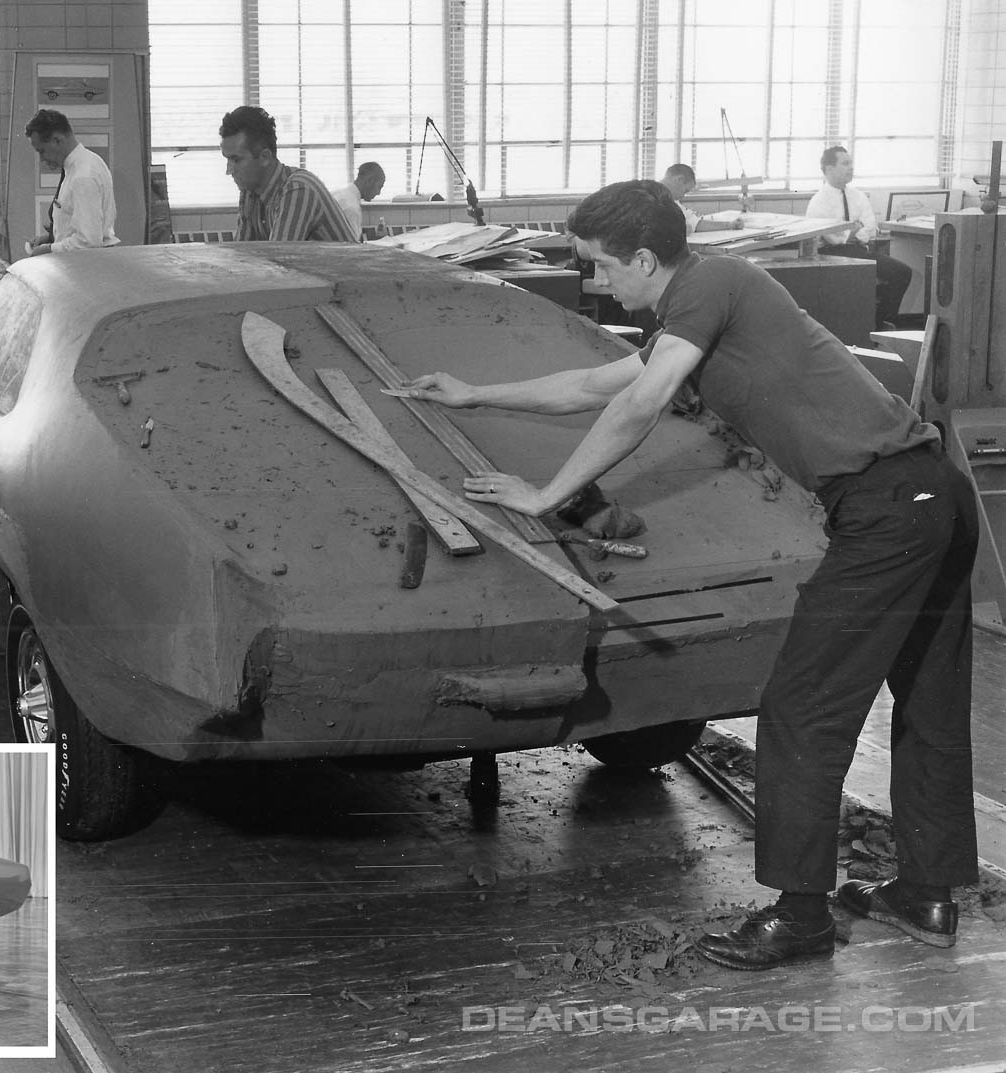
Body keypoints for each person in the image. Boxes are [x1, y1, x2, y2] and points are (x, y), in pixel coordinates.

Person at [401, 179, 979, 971]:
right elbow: (594, 385)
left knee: (801, 707)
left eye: (602, 265)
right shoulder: (696, 311)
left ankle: (801, 916)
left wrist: (546, 494)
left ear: (645, 258)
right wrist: (473, 395)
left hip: (887, 508)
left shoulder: (712, 283)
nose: (598, 280)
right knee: (930, 703)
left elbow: (640, 406)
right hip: (930, 492)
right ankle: (926, 893)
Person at [805, 145, 912, 329]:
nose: (851, 167)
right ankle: (864, 326)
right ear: (829, 169)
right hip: (832, 256)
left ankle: (880, 323)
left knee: (902, 273)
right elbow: (833, 238)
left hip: (860, 251)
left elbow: (870, 228)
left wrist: (852, 232)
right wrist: (852, 231)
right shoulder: (818, 201)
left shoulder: (858, 196)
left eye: (851, 163)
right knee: (856, 283)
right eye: (845, 163)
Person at [219, 105, 355, 243]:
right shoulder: (250, 191)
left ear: (265, 157)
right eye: (227, 159)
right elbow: (242, 253)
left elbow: (278, 255)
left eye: (236, 160)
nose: (228, 170)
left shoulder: (298, 189)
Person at [23, 108, 119, 255]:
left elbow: (88, 242)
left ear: (57, 140)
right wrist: (50, 238)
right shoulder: (84, 164)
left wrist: (48, 249)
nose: (42, 159)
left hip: (83, 265)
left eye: (42, 151)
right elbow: (75, 225)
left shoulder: (83, 176)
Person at [659, 164, 735, 234]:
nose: (683, 196)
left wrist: (730, 225)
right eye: (685, 191)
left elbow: (694, 223)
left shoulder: (672, 200)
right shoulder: (655, 197)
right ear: (679, 180)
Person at [330, 161, 387, 241]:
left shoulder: (337, 193)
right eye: (379, 187)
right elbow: (352, 245)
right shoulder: (351, 208)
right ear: (369, 181)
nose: (378, 193)